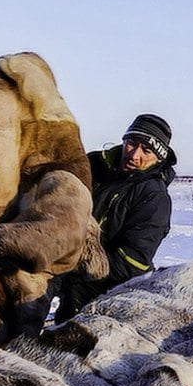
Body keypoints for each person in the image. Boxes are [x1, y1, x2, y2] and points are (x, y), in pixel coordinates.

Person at [53, 113, 177, 322]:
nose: (134, 155)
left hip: (112, 300)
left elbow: (132, 262)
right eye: (132, 143)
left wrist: (77, 260)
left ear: (159, 157)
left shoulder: (154, 197)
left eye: (146, 151)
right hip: (68, 285)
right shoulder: (94, 166)